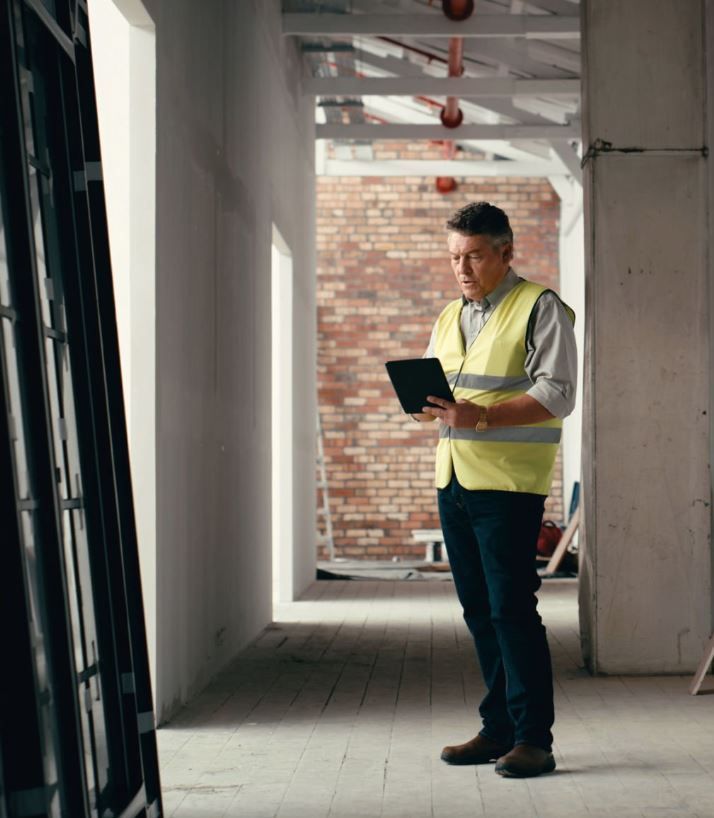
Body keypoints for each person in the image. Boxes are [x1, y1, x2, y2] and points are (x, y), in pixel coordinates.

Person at [413, 201, 576, 778]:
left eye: (474, 255)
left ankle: (535, 739)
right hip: (454, 480)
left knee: (512, 609)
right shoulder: (447, 316)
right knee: (479, 611)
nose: (462, 267)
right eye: (455, 256)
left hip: (507, 484)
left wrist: (476, 419)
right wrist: (429, 406)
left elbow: (558, 393)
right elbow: (449, 394)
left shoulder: (540, 307)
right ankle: (498, 729)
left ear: (506, 253)